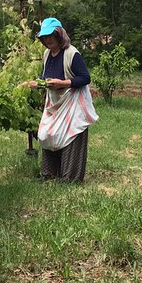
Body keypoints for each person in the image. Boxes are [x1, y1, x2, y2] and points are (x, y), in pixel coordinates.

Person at [27, 16, 97, 182]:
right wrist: (39, 83)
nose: (48, 39)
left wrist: (64, 83)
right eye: (44, 37)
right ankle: (50, 174)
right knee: (48, 135)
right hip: (56, 103)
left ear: (60, 35)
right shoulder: (47, 54)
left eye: (51, 35)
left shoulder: (72, 54)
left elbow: (85, 78)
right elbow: (47, 77)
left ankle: (69, 177)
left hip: (73, 104)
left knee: (70, 138)